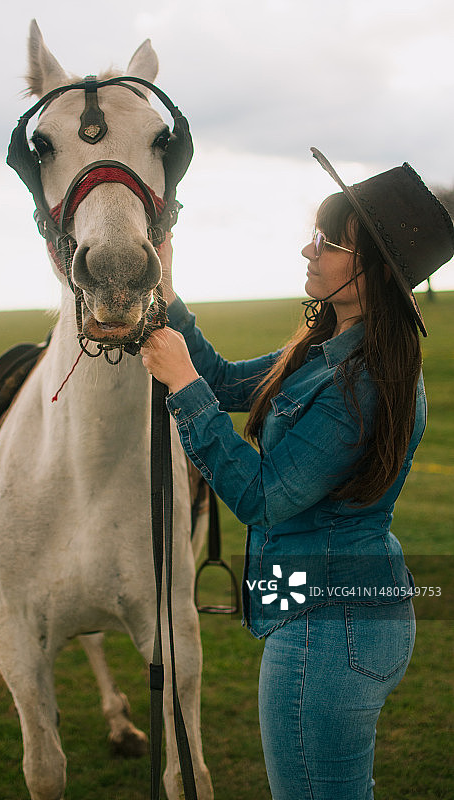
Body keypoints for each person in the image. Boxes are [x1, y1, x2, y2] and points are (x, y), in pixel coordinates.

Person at [141, 147, 454, 799]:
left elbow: (262, 498)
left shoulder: (364, 382)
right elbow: (227, 382)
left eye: (326, 243)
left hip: (330, 629)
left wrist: (180, 384)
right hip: (337, 610)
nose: (307, 252)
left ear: (370, 267)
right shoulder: (324, 351)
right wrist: (168, 297)